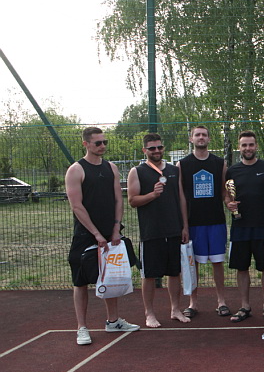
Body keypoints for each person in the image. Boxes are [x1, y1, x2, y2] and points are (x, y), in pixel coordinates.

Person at [66, 127, 140, 345]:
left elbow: (118, 200)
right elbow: (76, 206)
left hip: (111, 233)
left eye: (104, 142)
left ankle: (113, 321)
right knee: (80, 281)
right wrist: (96, 233)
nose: (102, 146)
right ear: (86, 144)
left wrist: (115, 229)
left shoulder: (111, 168)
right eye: (98, 143)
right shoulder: (76, 170)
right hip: (85, 235)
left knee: (111, 277)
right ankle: (82, 328)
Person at [127, 133, 190, 328]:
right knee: (149, 275)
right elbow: (132, 200)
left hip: (173, 229)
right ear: (144, 150)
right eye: (152, 148)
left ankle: (175, 309)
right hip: (151, 231)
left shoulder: (173, 170)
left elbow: (181, 198)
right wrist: (152, 195)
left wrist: (184, 226)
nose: (156, 151)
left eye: (159, 147)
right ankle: (149, 313)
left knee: (174, 272)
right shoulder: (137, 171)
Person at [224, 131, 264, 323]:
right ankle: (245, 306)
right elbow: (227, 196)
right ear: (239, 147)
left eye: (251, 145)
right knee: (241, 267)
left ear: (256, 146)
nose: (248, 148)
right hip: (240, 227)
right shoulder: (232, 171)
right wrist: (229, 204)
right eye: (244, 145)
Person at [177, 125, 229, 318]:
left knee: (217, 262)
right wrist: (184, 225)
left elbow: (225, 192)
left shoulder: (219, 163)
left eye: (204, 135)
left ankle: (221, 301)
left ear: (209, 139)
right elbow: (182, 197)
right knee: (193, 265)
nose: (201, 137)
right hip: (194, 223)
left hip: (216, 221)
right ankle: (193, 303)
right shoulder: (183, 164)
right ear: (191, 139)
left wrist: (230, 203)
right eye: (197, 135)